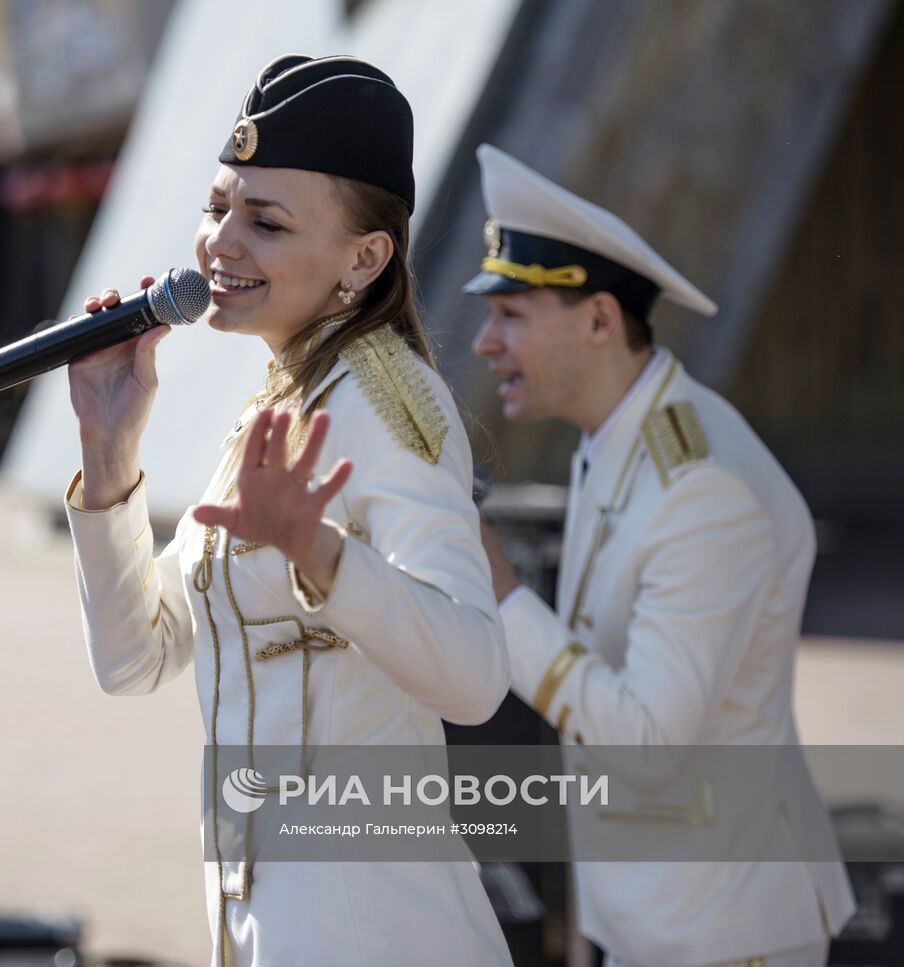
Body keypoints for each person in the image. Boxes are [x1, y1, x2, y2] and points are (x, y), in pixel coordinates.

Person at [65, 55, 513, 965]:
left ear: (365, 257)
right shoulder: (279, 404)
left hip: (378, 927)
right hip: (263, 920)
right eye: (218, 205)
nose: (220, 243)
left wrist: (328, 559)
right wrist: (109, 454)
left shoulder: (393, 403)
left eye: (264, 221)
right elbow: (134, 657)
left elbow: (474, 675)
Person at [468, 145, 855, 967]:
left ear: (601, 320)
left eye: (510, 314)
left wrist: (505, 599)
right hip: (660, 913)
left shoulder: (701, 486)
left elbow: (648, 742)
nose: (483, 342)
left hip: (725, 927)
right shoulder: (626, 437)